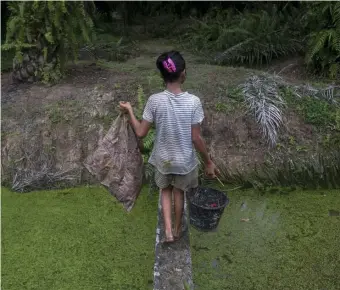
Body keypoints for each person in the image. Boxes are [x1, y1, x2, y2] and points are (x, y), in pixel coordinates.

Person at [119, 51, 219, 243]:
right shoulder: (193, 102)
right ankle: (178, 228)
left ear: (162, 76)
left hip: (163, 160)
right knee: (178, 192)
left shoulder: (154, 101)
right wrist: (208, 162)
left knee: (165, 191)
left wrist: (130, 110)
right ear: (183, 74)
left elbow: (140, 132)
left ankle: (167, 232)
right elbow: (196, 138)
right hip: (184, 162)